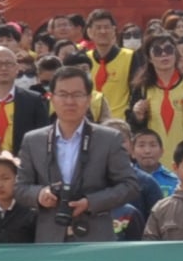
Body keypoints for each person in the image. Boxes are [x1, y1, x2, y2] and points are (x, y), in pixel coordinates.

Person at [10, 69, 145, 242]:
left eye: (77, 95)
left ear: (89, 99)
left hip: (96, 237)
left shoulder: (109, 139)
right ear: (51, 97)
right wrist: (39, 194)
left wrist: (91, 202)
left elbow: (130, 185)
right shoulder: (33, 140)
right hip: (50, 238)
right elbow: (20, 188)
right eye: (63, 94)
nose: (69, 101)